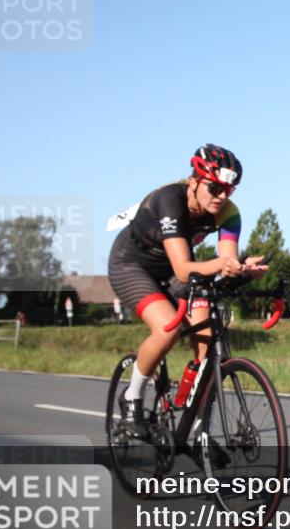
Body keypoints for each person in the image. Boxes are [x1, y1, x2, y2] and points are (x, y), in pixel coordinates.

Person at [108, 144, 268, 436]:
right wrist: (224, 263)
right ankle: (132, 397)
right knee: (167, 330)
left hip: (173, 270)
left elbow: (227, 260)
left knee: (207, 341)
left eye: (229, 190)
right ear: (194, 181)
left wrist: (242, 268)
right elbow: (184, 269)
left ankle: (195, 427)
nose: (222, 196)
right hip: (132, 265)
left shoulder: (229, 213)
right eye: (214, 188)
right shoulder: (170, 199)